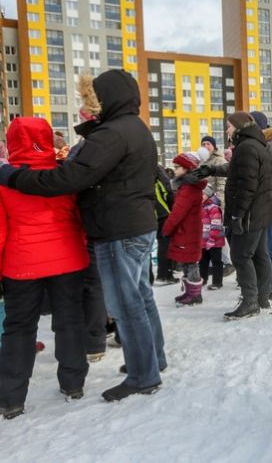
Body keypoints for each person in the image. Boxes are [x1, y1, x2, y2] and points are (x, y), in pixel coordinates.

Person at [0, 70, 166, 401]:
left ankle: (143, 376)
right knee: (141, 297)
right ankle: (152, 359)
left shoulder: (112, 134)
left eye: (93, 99)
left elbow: (66, 179)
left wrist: (11, 175)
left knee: (125, 304)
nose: (88, 105)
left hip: (118, 230)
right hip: (134, 225)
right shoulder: (132, 127)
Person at [0, 117, 90, 419]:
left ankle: (11, 398)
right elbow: (80, 216)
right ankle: (73, 383)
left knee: (18, 328)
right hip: (68, 258)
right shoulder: (64, 175)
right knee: (70, 320)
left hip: (21, 263)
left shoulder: (5, 179)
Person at [195, 112, 272, 320]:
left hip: (249, 213)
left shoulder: (246, 148)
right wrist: (211, 169)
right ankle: (261, 298)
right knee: (259, 254)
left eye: (229, 126)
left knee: (240, 255)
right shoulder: (256, 145)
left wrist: (237, 215)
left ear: (239, 126)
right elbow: (236, 171)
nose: (227, 130)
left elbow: (247, 186)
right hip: (259, 212)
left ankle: (250, 302)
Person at [250, 112, 272, 302]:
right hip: (260, 203)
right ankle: (263, 284)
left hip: (269, 202)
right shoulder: (260, 145)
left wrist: (264, 191)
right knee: (260, 247)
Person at [163, 151, 207, 307]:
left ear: (187, 168)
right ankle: (191, 292)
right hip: (188, 229)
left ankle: (195, 294)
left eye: (177, 167)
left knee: (190, 262)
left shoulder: (188, 188)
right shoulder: (189, 186)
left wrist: (166, 229)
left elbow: (177, 213)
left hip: (187, 230)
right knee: (188, 261)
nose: (174, 170)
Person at [200, 135, 234, 276]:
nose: (206, 146)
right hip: (203, 203)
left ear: (214, 146)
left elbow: (222, 184)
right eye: (203, 144)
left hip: (215, 203)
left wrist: (219, 203)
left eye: (208, 143)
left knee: (218, 233)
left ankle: (228, 262)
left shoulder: (219, 161)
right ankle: (211, 262)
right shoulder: (201, 163)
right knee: (207, 233)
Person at [154, 165, 178, 284]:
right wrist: (171, 207)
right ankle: (165, 275)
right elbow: (167, 189)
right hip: (161, 211)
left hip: (145, 213)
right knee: (165, 243)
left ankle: (149, 276)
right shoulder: (155, 168)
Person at [199, 186, 225, 290]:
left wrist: (212, 239)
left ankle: (217, 282)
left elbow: (216, 224)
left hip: (215, 241)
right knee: (203, 261)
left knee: (216, 261)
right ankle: (203, 279)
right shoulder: (200, 207)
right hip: (203, 240)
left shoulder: (213, 208)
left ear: (208, 195)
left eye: (202, 194)